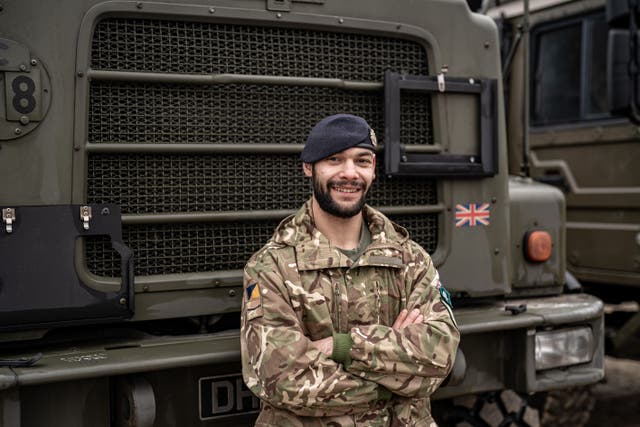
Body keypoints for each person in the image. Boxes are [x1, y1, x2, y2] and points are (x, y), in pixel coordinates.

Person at [241, 114, 460, 426]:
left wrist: (341, 347)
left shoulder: (410, 258)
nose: (349, 173)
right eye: (334, 160)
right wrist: (399, 376)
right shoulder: (271, 267)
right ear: (308, 167)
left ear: (373, 171)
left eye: (362, 161)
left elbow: (440, 356)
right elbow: (282, 381)